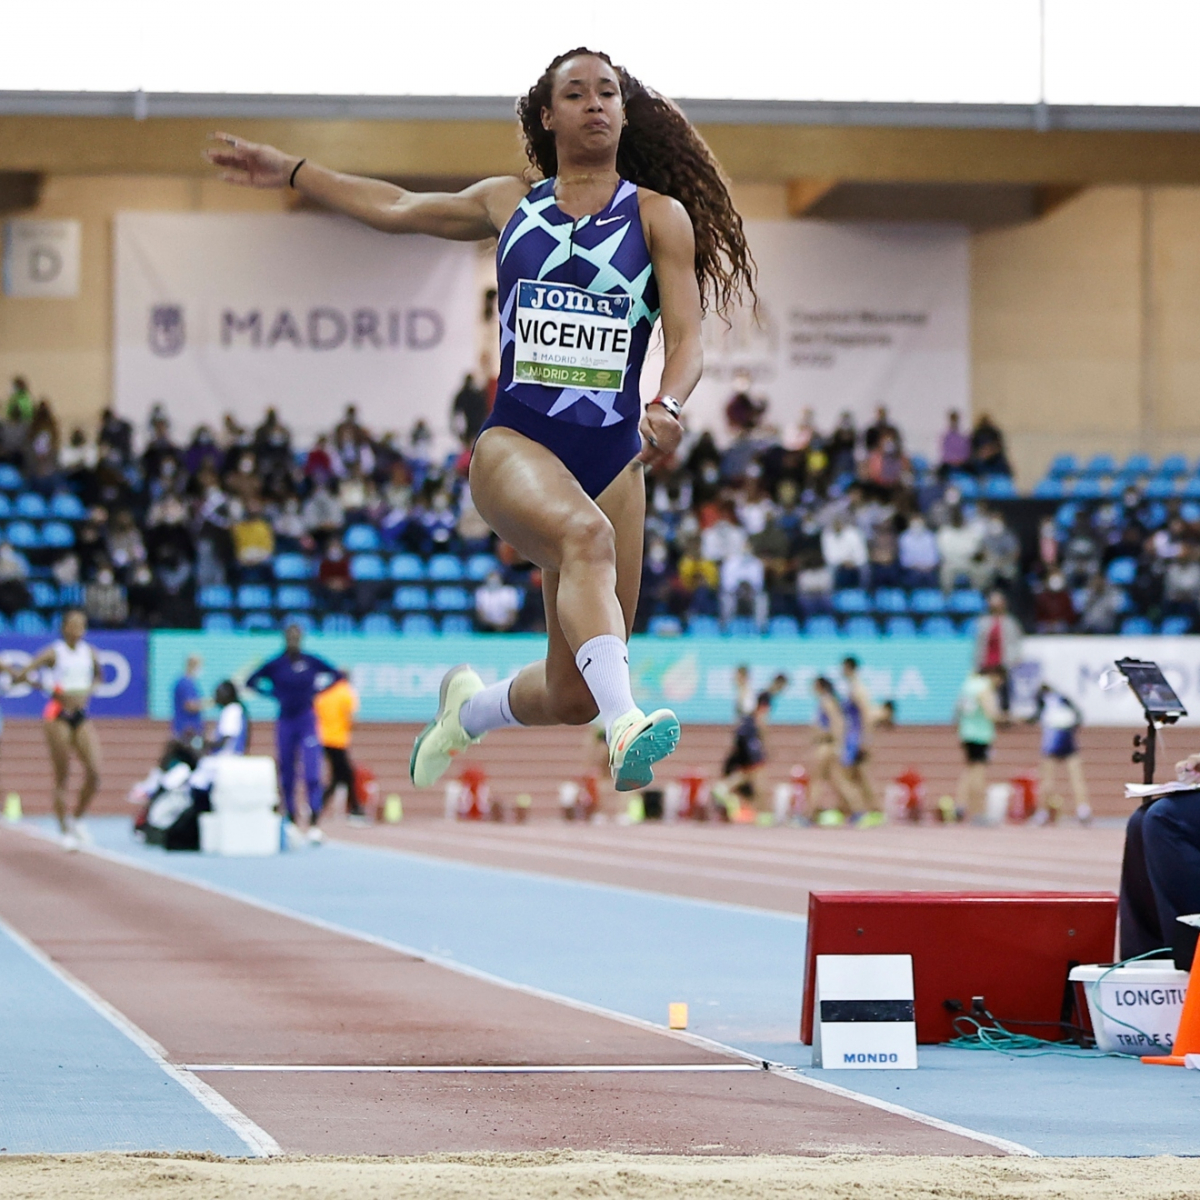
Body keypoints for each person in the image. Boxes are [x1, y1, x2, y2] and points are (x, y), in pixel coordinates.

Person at [207, 47, 754, 795]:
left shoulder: (659, 217)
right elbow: (395, 207)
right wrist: (295, 172)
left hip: (614, 461)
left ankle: (469, 711)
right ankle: (626, 724)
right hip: (518, 443)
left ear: (625, 114)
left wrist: (669, 403)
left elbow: (687, 337)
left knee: (570, 695)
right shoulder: (510, 204)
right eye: (577, 93)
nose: (596, 104)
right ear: (547, 115)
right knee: (585, 540)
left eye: (608, 93)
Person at [9, 610, 103, 851]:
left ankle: (78, 818)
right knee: (63, 774)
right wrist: (43, 685)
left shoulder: (89, 652)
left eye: (81, 624)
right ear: (63, 628)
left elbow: (99, 677)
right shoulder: (54, 652)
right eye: (72, 625)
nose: (77, 629)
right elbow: (24, 673)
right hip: (57, 714)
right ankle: (64, 830)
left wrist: (87, 692)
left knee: (95, 772)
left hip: (80, 715)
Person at [245, 624, 340, 843]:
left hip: (306, 720)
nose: (293, 641)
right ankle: (291, 819)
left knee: (312, 771)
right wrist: (272, 694)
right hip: (286, 721)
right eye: (290, 637)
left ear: (302, 639)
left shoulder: (311, 662)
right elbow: (251, 681)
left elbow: (335, 675)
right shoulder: (276, 664)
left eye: (297, 637)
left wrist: (318, 691)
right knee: (287, 770)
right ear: (284, 639)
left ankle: (314, 822)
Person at [1029, 683, 1091, 824]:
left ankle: (1042, 813)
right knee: (1076, 777)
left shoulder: (1043, 700)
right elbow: (1079, 716)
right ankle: (1083, 810)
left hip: (1052, 738)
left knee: (1047, 779)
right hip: (1068, 737)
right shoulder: (1063, 698)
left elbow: (1035, 717)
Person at [954, 665, 1004, 823]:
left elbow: (958, 710)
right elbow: (991, 712)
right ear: (995, 675)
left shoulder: (968, 685)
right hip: (980, 735)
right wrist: (1006, 718)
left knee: (968, 771)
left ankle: (959, 805)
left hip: (966, 732)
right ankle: (978, 813)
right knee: (978, 774)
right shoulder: (984, 687)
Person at [314, 670, 364, 824]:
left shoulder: (325, 693)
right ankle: (355, 809)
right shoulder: (346, 693)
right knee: (347, 775)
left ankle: (318, 806)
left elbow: (316, 712)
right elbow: (351, 718)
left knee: (340, 776)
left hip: (323, 738)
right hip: (338, 740)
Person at [839, 657, 884, 827]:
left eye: (843, 667)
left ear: (849, 667)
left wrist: (865, 739)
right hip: (853, 737)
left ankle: (871, 810)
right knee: (856, 776)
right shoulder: (853, 687)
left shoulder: (858, 689)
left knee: (858, 776)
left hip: (855, 738)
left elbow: (867, 715)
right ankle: (862, 810)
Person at [972, 590, 1022, 714]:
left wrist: (1015, 658)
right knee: (984, 689)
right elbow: (979, 643)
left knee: (1004, 689)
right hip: (987, 660)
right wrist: (977, 661)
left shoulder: (1010, 622)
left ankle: (1005, 713)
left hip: (1002, 660)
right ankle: (985, 713)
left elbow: (1015, 642)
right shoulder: (983, 622)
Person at [810, 675, 851, 824]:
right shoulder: (828, 700)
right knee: (837, 781)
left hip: (827, 746)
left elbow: (838, 723)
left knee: (817, 780)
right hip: (827, 745)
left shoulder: (826, 701)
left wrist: (837, 744)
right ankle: (855, 810)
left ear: (820, 686)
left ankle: (809, 814)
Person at [172, 654, 206, 750]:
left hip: (186, 728)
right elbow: (189, 705)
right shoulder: (186, 683)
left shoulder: (185, 681)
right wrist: (207, 704)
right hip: (188, 729)